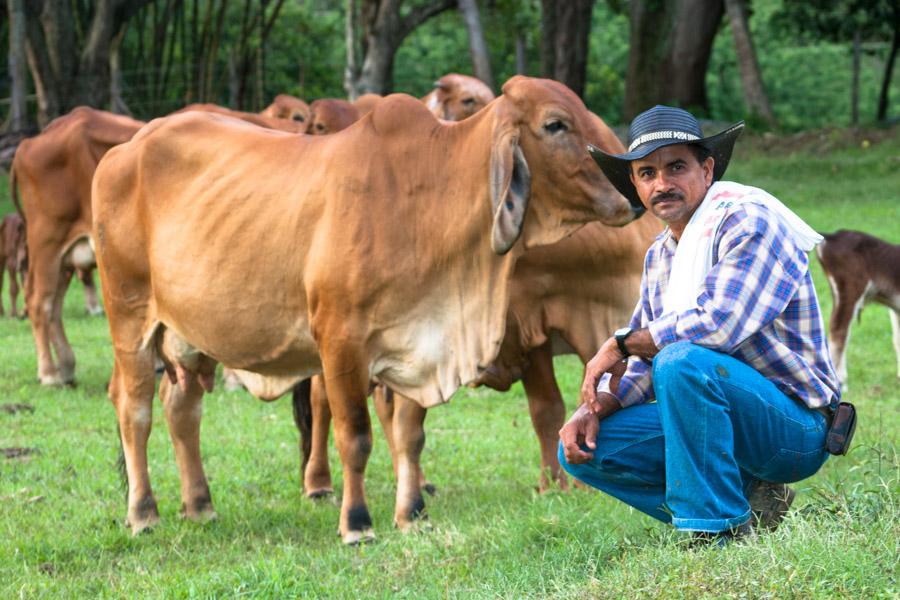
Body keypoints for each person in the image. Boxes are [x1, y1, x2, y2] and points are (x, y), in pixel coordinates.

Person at [559, 105, 841, 543]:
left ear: (707, 170)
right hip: (718, 411)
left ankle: (716, 531)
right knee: (584, 448)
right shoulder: (661, 254)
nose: (662, 184)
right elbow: (643, 360)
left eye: (676, 167)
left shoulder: (750, 221)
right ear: (635, 185)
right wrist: (593, 409)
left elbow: (718, 325)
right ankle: (752, 501)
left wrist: (620, 345)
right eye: (647, 173)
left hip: (793, 428)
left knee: (681, 361)